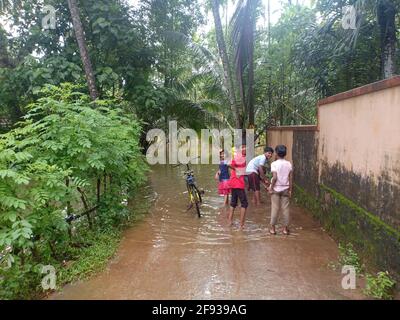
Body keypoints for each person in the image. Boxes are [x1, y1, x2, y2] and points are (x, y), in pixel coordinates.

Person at [268, 145, 293, 235]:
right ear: (285, 154)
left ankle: (273, 229)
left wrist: (271, 188)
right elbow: (290, 178)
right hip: (286, 188)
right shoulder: (289, 164)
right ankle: (285, 229)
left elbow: (274, 178)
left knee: (275, 208)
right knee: (285, 209)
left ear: (277, 153)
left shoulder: (274, 164)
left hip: (276, 189)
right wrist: (290, 190)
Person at [228, 144, 248, 229]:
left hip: (234, 182)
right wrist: (238, 170)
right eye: (243, 147)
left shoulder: (239, 156)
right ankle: (241, 225)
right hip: (238, 183)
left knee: (233, 203)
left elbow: (230, 164)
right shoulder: (240, 157)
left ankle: (229, 222)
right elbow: (229, 164)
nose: (245, 148)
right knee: (244, 203)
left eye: (245, 147)